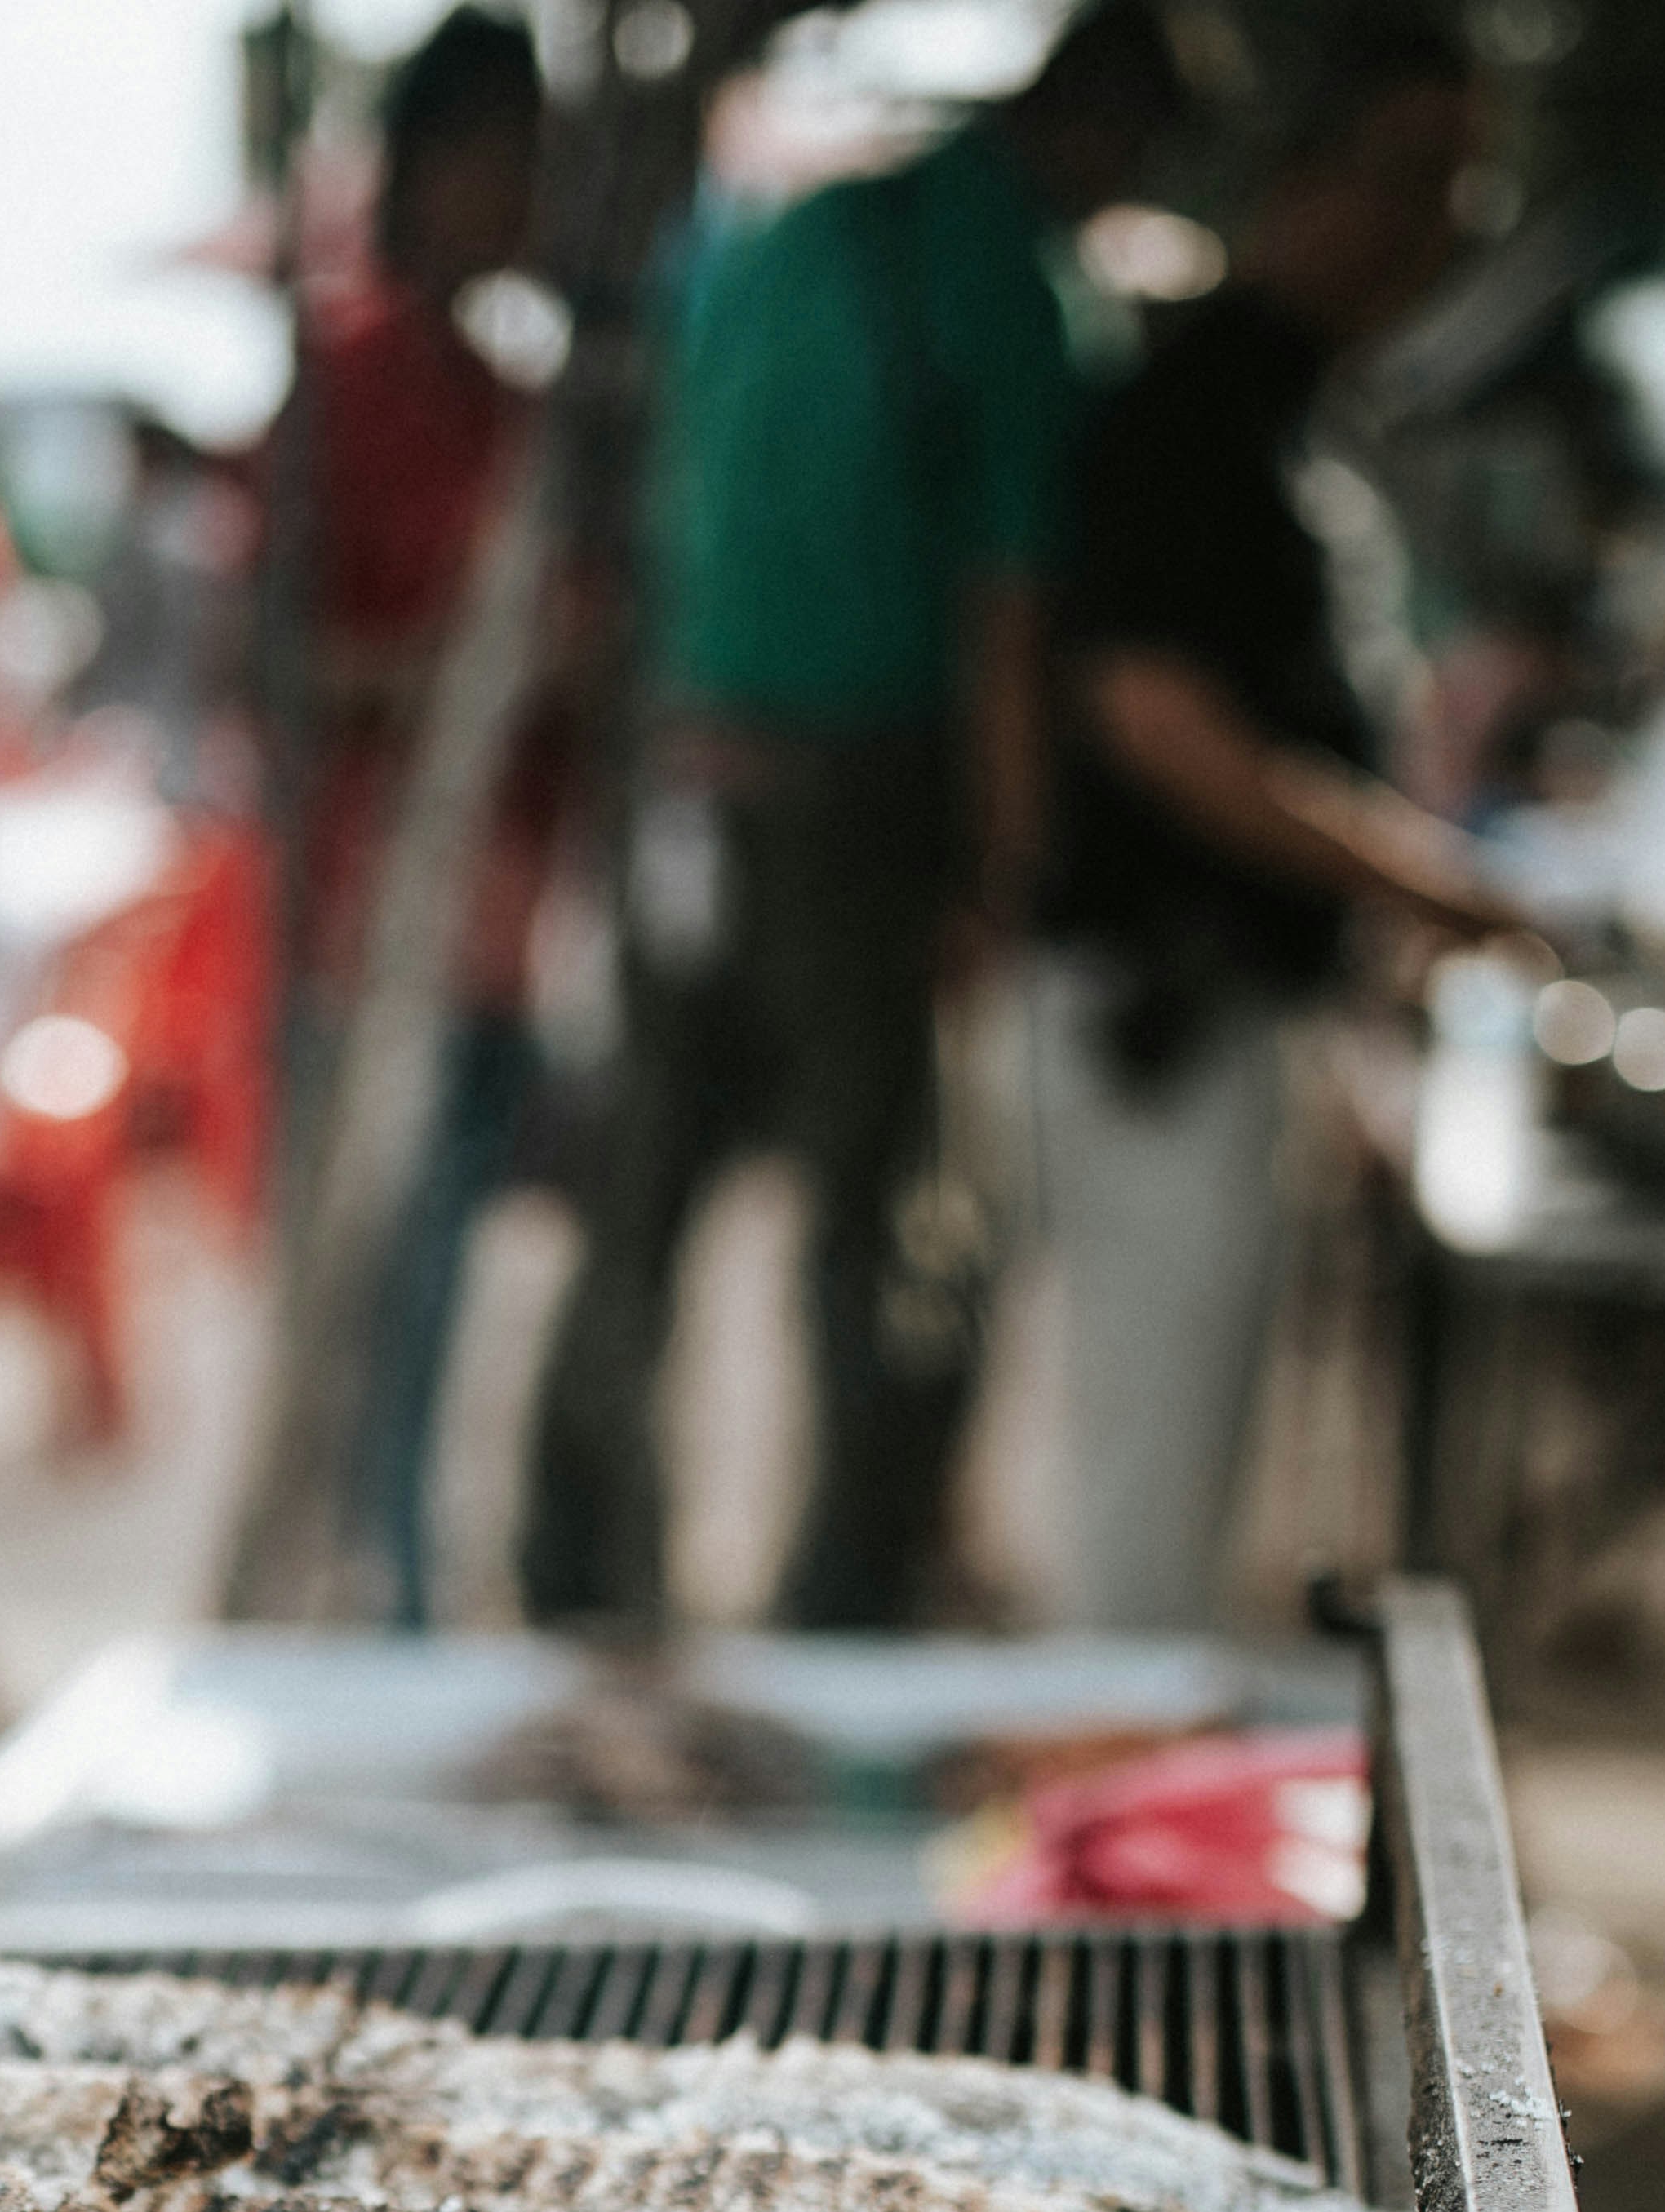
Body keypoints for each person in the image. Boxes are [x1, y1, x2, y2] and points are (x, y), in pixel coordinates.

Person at [520, 2, 1191, 1636]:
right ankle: (846, 1596)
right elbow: (1006, 603)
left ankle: (584, 1569)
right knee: (885, 1223)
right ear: (1096, 130)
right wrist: (1007, 868)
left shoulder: (786, 234)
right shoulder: (997, 281)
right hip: (857, 783)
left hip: (692, 766)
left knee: (651, 1194)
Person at [1029, 12, 1533, 1629]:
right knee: (1145, 1501)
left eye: (1461, 184)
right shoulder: (1192, 404)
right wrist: (1413, 876)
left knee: (1200, 1490)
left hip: (1239, 1013)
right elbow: (1153, 719)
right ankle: (1117, 1856)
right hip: (1148, 1008)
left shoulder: (1304, 410)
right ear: (1300, 176)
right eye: (1406, 176)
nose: (1431, 224)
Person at [281, 6, 570, 1625]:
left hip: (502, 934)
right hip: (368, 924)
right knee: (370, 1322)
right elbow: (287, 658)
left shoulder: (518, 396)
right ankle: (376, 1615)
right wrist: (468, 672)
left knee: (457, 1314)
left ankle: (418, 1603)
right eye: (502, 162)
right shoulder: (350, 383)